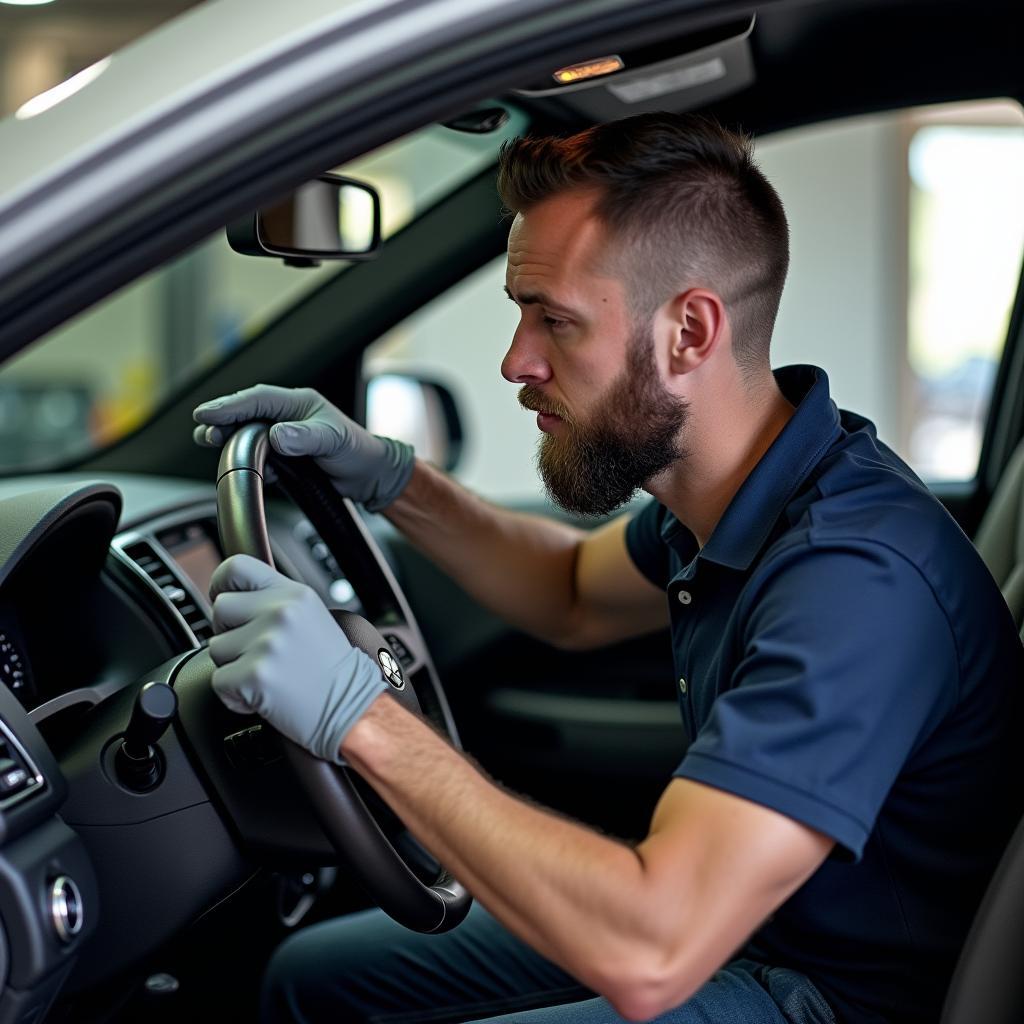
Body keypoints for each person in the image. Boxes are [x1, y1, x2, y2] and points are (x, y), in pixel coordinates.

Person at [192, 113, 1024, 1024]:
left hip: (824, 994)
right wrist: (391, 477)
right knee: (313, 981)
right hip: (750, 934)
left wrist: (360, 719)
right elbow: (570, 594)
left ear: (689, 333)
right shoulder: (743, 491)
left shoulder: (856, 581)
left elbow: (651, 948)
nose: (517, 362)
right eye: (520, 314)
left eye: (555, 320)